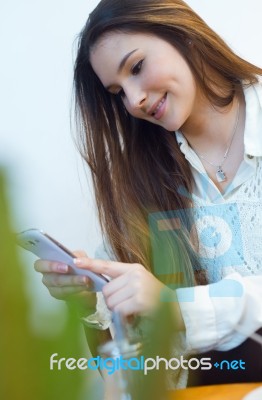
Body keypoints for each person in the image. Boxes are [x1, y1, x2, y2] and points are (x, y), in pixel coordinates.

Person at [34, 0, 262, 388]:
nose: (134, 99)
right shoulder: (143, 176)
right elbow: (137, 366)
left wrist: (176, 308)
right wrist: (95, 301)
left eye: (137, 67)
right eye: (117, 91)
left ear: (182, 33)